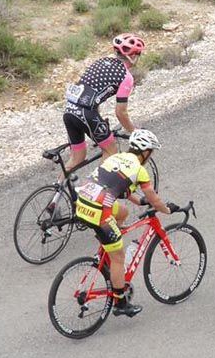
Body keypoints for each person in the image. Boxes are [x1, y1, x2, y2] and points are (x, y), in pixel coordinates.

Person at [73, 128, 178, 317]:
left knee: (122, 211)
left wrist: (140, 201)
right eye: (151, 152)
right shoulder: (139, 170)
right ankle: (120, 302)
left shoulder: (115, 158)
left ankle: (108, 262)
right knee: (119, 257)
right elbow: (154, 198)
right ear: (146, 152)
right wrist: (167, 210)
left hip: (82, 202)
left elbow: (118, 187)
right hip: (98, 212)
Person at [63, 33, 144, 172]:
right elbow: (121, 112)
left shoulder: (101, 61)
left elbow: (89, 93)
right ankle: (97, 189)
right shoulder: (126, 76)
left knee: (77, 157)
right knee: (111, 150)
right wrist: (134, 132)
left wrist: (98, 119)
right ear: (133, 56)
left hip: (69, 110)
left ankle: (58, 190)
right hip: (86, 113)